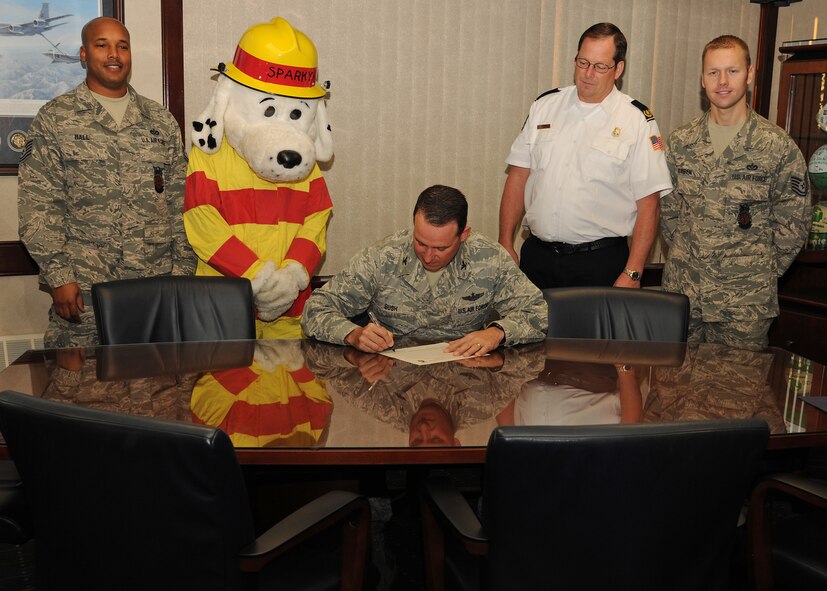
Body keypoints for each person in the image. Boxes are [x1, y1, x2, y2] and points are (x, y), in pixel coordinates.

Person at [17, 17, 195, 348]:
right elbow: (38, 206)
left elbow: (181, 202)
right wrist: (59, 277)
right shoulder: (56, 119)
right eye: (102, 45)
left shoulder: (160, 121)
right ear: (84, 55)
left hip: (155, 289)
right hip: (86, 292)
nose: (114, 54)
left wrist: (183, 275)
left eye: (122, 46)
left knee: (157, 391)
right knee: (80, 390)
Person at [661, 35, 811, 349]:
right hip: (684, 299)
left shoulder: (776, 146)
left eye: (733, 71)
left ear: (750, 74)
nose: (723, 81)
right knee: (675, 392)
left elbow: (793, 225)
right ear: (702, 79)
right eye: (713, 72)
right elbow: (668, 213)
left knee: (738, 395)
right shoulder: (680, 142)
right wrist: (692, 259)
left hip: (744, 305)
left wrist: (756, 271)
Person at [498, 22, 672, 289]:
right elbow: (519, 176)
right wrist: (505, 243)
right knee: (530, 331)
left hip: (600, 263)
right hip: (538, 257)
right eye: (583, 62)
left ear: (618, 69)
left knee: (592, 333)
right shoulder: (545, 106)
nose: (588, 73)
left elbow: (649, 205)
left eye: (600, 66)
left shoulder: (636, 120)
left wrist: (634, 272)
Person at [302, 185, 548, 354]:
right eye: (420, 243)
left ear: (464, 235)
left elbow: (537, 311)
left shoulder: (489, 258)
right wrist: (352, 335)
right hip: (392, 377)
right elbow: (315, 309)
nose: (429, 256)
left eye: (441, 247)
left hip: (466, 378)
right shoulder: (384, 257)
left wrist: (497, 333)